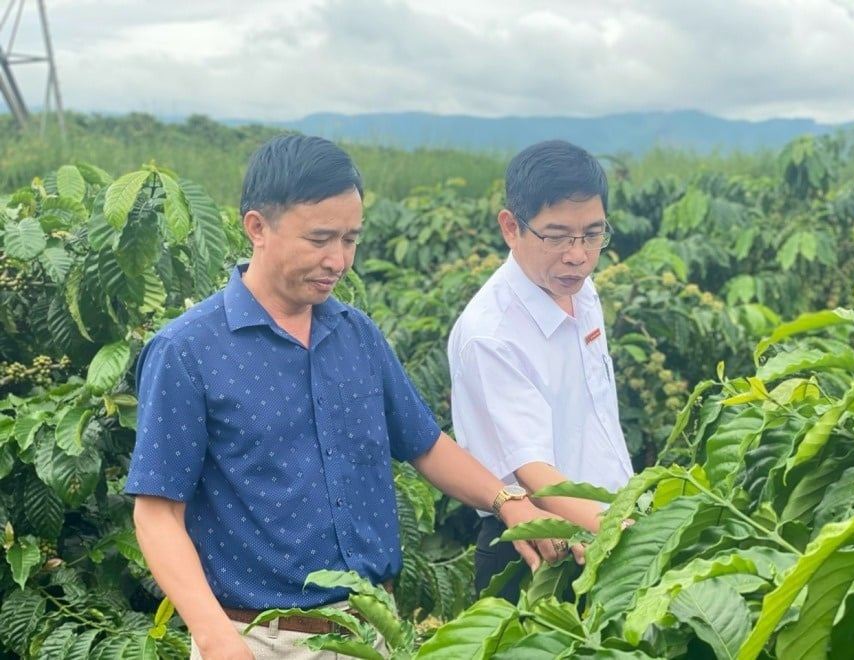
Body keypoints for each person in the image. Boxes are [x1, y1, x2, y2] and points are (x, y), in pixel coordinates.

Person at [126, 133, 578, 660]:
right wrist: (214, 635)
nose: (338, 260)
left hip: (371, 634)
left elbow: (425, 444)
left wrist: (509, 502)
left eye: (350, 239)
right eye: (319, 239)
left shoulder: (355, 333)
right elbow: (157, 512)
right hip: (261, 640)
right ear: (257, 228)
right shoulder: (187, 350)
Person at [448, 139, 635, 604]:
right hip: (540, 549)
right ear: (512, 227)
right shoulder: (492, 333)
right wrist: (633, 538)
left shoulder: (582, 291)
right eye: (556, 236)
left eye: (593, 234)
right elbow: (531, 470)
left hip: (606, 528)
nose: (578, 255)